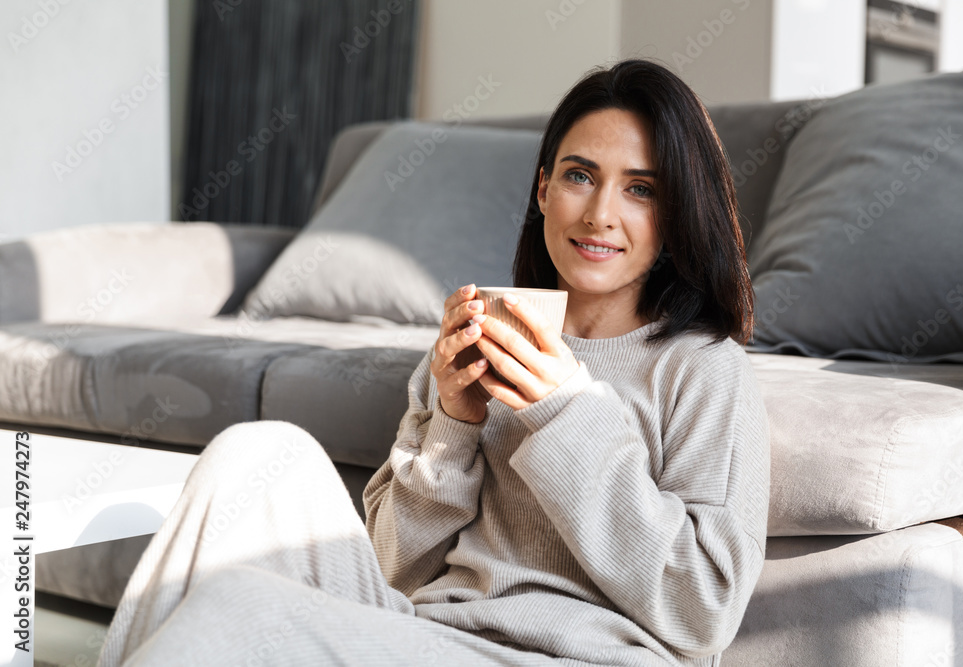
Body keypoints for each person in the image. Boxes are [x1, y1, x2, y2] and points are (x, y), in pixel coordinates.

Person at [96, 57, 769, 667]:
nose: (600, 213)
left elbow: (703, 610)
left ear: (676, 213)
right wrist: (452, 424)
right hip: (428, 636)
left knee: (238, 603)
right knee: (255, 454)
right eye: (579, 176)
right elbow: (390, 571)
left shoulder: (704, 369)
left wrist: (565, 410)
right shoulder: (478, 341)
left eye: (641, 189)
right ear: (543, 190)